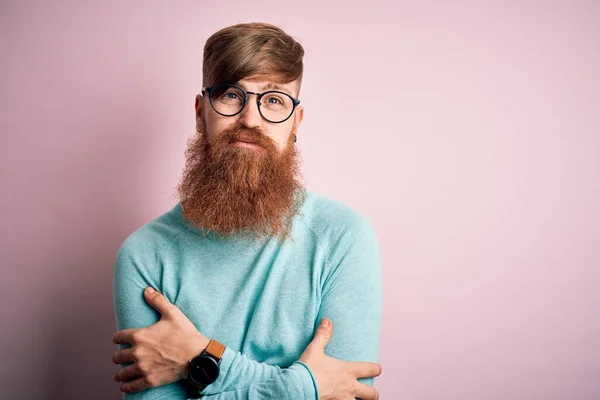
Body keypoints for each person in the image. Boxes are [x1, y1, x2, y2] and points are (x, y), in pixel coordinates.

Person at [111, 22, 383, 400]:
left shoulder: (342, 237)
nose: (251, 119)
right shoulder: (143, 255)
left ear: (295, 123)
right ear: (199, 111)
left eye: (274, 100)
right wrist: (304, 387)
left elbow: (349, 396)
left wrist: (198, 359)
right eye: (231, 95)